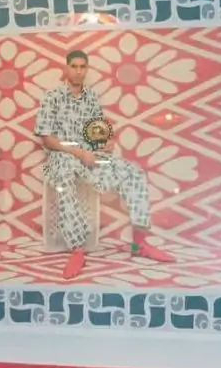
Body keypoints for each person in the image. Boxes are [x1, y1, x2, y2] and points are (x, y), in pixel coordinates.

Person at [34, 49, 175, 279]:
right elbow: (46, 139)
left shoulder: (91, 97)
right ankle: (78, 251)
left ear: (86, 69)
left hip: (90, 156)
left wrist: (106, 142)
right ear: (67, 68)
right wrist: (77, 152)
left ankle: (139, 243)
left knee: (133, 172)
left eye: (83, 67)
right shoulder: (53, 96)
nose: (78, 71)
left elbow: (97, 132)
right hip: (62, 156)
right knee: (65, 177)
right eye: (74, 66)